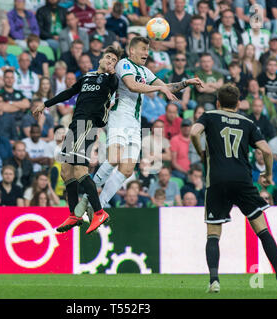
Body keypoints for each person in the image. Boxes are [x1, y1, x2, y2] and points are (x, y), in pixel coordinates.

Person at [72, 36, 203, 221]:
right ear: (132, 50)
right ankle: (86, 199)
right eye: (143, 49)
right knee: (114, 158)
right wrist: (159, 89)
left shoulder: (146, 71)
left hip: (135, 124)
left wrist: (185, 83)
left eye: (148, 50)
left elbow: (167, 88)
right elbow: (132, 86)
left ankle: (98, 205)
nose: (146, 53)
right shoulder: (124, 64)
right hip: (119, 118)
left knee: (126, 170)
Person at [190, 83, 277, 293]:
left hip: (217, 180)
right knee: (262, 230)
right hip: (242, 180)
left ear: (218, 102)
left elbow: (193, 132)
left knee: (213, 233)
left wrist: (201, 152)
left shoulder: (209, 115)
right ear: (238, 104)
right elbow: (266, 150)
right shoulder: (247, 121)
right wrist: (268, 175)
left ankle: (214, 281)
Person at [33, 45, 123, 233]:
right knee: (66, 171)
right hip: (75, 124)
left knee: (80, 169)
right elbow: (69, 92)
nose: (110, 61)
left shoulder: (111, 80)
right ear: (100, 58)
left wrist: (113, 73)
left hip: (88, 125)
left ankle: (99, 212)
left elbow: (115, 86)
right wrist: (45, 104)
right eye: (108, 57)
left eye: (114, 60)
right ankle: (74, 215)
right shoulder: (87, 76)